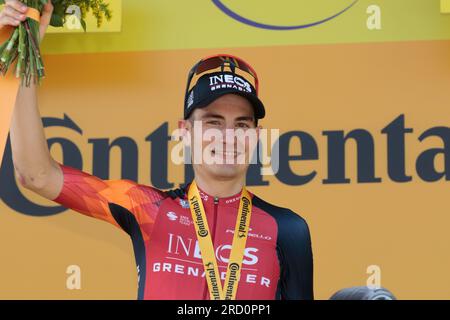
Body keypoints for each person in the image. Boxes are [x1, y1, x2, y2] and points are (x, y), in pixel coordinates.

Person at [2, 0, 314, 300]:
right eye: (213, 122)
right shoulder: (146, 209)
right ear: (185, 132)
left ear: (256, 137)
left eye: (241, 125)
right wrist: (21, 59)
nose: (228, 137)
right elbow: (36, 174)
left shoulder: (288, 229)